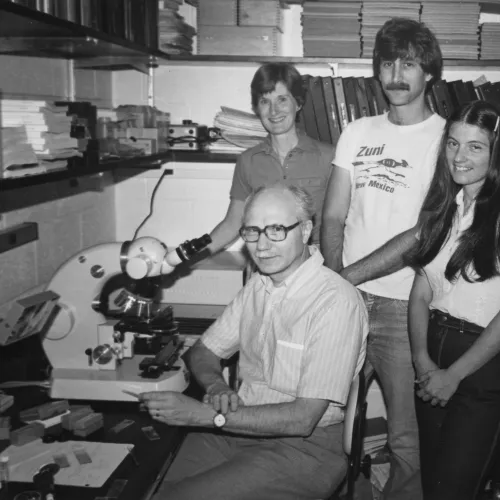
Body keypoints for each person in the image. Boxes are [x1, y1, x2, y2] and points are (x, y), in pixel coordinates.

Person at [141, 184, 368, 500]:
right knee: (147, 486)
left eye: (276, 230)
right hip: (237, 424)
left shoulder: (335, 302)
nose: (262, 245)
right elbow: (203, 351)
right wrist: (217, 387)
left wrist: (204, 416)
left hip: (304, 446)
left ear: (304, 231)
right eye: (252, 232)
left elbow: (304, 418)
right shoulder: (259, 284)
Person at [320, 17, 446, 500]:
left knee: (406, 440)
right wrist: (335, 280)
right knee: (326, 420)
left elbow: (424, 234)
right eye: (388, 62)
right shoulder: (356, 131)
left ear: (429, 73)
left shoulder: (444, 139)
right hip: (344, 301)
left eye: (409, 64)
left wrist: (344, 278)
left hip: (402, 309)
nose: (396, 74)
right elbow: (332, 215)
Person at [407, 100, 500, 500]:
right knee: (434, 487)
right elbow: (421, 290)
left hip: (479, 368)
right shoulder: (444, 208)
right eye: (453, 144)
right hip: (433, 358)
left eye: (475, 147)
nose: (459, 157)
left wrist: (454, 375)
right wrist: (422, 360)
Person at [208, 62, 335, 253]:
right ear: (257, 108)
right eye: (265, 101)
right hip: (264, 256)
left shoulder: (328, 156)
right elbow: (233, 222)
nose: (274, 111)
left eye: (282, 99)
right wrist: (186, 257)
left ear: (298, 103)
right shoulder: (248, 161)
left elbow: (341, 221)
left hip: (315, 262)